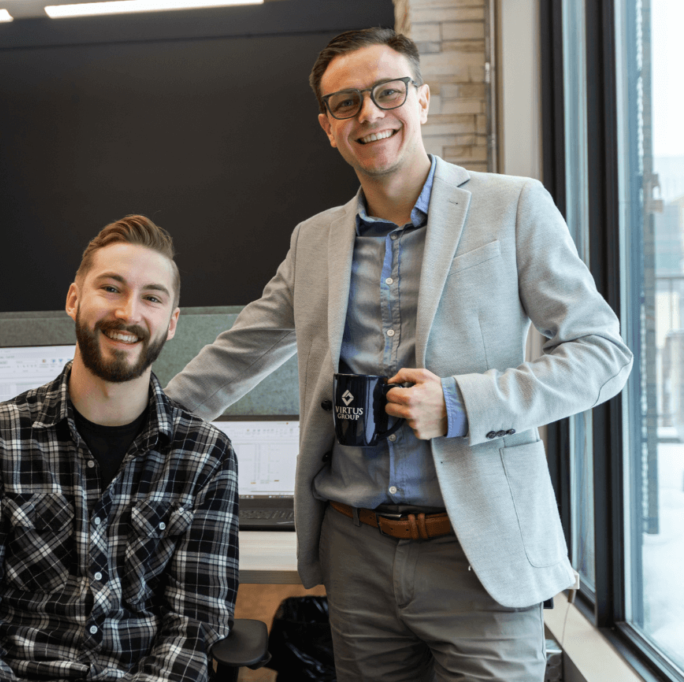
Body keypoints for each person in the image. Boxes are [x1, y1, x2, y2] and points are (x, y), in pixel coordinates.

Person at [165, 28, 633, 681]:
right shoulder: (314, 240)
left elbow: (601, 353)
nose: (370, 114)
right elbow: (241, 351)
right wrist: (128, 424)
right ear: (328, 126)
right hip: (356, 553)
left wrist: (465, 403)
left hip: (480, 553)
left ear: (423, 100)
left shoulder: (513, 207)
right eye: (346, 103)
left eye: (388, 92)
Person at [0, 216, 239, 682]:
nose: (128, 313)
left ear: (170, 324)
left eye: (151, 297)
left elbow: (195, 625)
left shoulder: (205, 456)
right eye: (110, 288)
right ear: (74, 299)